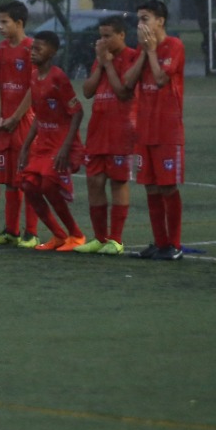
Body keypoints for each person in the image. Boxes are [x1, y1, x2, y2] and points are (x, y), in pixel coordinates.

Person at [122, 0, 186, 261]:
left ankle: (175, 245)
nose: (140, 24)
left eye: (145, 18)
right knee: (150, 187)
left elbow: (161, 79)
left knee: (168, 188)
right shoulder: (141, 48)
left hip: (167, 130)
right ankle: (160, 243)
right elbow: (127, 82)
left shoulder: (175, 46)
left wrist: (150, 52)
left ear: (160, 21)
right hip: (144, 130)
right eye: (138, 19)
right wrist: (144, 52)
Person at [17, 31, 87, 251]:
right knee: (28, 185)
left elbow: (77, 112)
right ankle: (58, 235)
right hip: (43, 143)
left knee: (48, 184)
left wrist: (67, 146)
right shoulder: (33, 76)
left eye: (39, 48)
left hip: (60, 143)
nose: (33, 52)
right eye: (32, 48)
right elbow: (39, 115)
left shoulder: (58, 77)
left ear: (53, 52)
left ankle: (76, 235)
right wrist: (26, 146)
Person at [75, 15, 138, 255]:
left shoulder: (131, 57)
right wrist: (101, 64)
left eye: (108, 35)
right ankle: (100, 238)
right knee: (94, 182)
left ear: (121, 35)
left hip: (121, 131)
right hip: (98, 130)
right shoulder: (101, 59)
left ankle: (116, 239)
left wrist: (108, 64)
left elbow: (123, 92)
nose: (103, 40)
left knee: (118, 182)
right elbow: (88, 91)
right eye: (100, 36)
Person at [0, 1, 39, 247]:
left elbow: (33, 88)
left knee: (26, 179)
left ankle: (31, 233)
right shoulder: (2, 49)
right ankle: (11, 231)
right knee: (8, 179)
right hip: (4, 123)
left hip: (23, 122)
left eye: (5, 22)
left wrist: (15, 117)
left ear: (19, 23)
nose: (0, 26)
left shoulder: (31, 49)